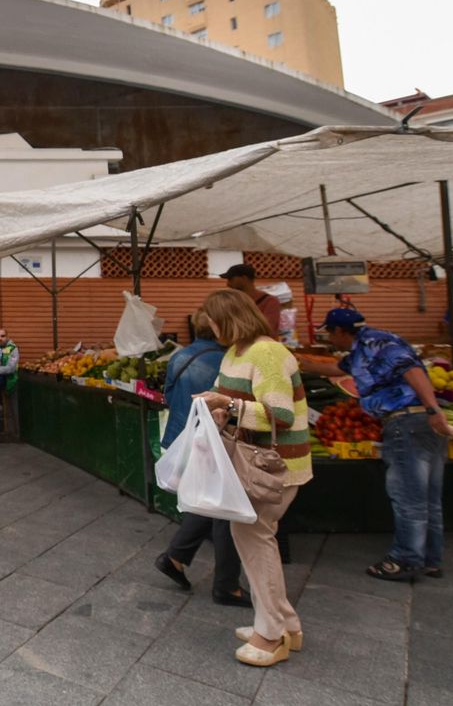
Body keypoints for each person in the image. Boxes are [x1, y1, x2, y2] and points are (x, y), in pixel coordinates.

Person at [194, 289, 312, 667]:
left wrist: (226, 406)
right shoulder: (236, 352)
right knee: (254, 537)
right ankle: (286, 625)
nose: (210, 329)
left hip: (275, 465)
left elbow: (280, 415)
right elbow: (231, 397)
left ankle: (271, 634)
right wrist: (216, 405)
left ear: (227, 318)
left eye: (213, 322)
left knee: (256, 540)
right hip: (254, 461)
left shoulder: (267, 352)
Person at [310, 308, 451, 582]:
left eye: (329, 333)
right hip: (419, 423)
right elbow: (335, 369)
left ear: (341, 331)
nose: (329, 339)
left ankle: (405, 559)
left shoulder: (379, 344)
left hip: (407, 422)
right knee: (427, 498)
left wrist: (433, 410)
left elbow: (411, 370)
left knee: (408, 498)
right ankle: (431, 559)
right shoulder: (361, 350)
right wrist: (297, 363)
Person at [152, 310, 246, 607]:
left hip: (184, 435)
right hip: (213, 439)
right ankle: (226, 585)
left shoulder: (179, 357)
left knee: (210, 501)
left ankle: (176, 557)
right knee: (226, 506)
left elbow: (167, 393)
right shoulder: (226, 360)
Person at [219, 263, 281, 338]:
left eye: (231, 279)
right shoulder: (232, 302)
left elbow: (267, 329)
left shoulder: (269, 301)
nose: (228, 284)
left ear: (244, 278)